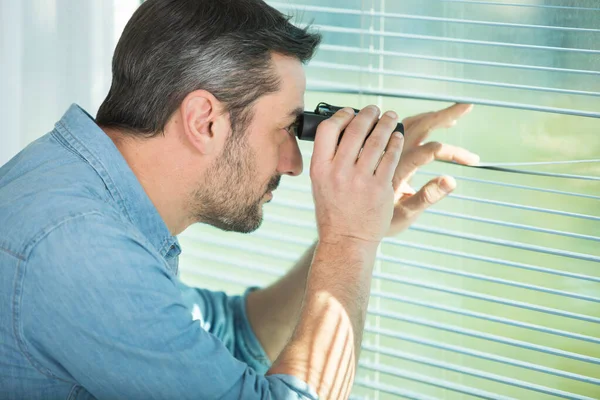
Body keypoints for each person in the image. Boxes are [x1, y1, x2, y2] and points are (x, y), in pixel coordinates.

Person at [0, 0, 478, 399]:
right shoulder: (80, 246)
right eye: (287, 129)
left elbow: (231, 334)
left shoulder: (79, 192)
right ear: (204, 120)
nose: (293, 162)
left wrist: (347, 235)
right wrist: (351, 240)